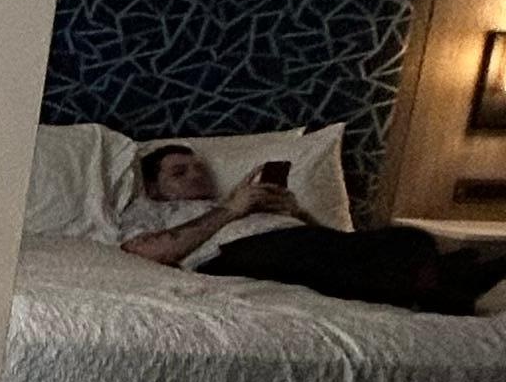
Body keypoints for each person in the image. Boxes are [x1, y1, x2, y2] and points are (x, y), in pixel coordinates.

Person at [118, 143, 495, 311]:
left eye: (198, 168)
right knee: (317, 256)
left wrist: (297, 212)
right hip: (229, 255)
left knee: (406, 236)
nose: (195, 175)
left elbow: (330, 238)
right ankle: (448, 282)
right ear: (155, 186)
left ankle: (444, 285)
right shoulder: (149, 209)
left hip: (294, 239)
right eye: (179, 172)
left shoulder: (232, 199)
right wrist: (231, 211)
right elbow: (148, 251)